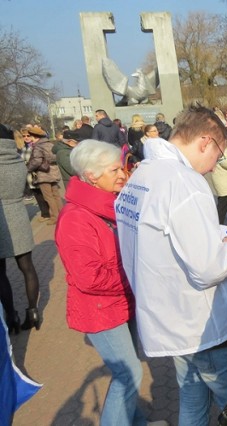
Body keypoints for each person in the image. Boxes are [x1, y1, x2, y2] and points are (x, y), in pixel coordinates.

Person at [115, 106, 227, 426]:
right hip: (205, 326)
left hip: (171, 323)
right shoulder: (185, 182)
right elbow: (207, 269)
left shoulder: (141, 176)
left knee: (191, 402)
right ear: (205, 142)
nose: (216, 164)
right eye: (218, 154)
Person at [54, 139, 151, 425]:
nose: (122, 174)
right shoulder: (76, 218)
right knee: (129, 373)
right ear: (92, 176)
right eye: (114, 170)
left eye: (121, 168)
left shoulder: (109, 206)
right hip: (100, 310)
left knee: (129, 371)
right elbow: (88, 277)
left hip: (121, 302)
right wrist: (134, 274)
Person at [0, 124, 41, 333]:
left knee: (0, 274)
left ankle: (11, 315)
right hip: (18, 214)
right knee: (28, 268)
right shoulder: (17, 160)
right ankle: (33, 311)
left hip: (2, 220)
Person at [26, 127, 63, 226]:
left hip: (43, 174)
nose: (30, 138)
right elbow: (55, 157)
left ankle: (55, 217)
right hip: (54, 172)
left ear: (35, 137)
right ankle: (62, 214)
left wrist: (28, 168)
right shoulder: (50, 144)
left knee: (48, 197)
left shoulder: (38, 146)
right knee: (56, 195)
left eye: (31, 136)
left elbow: (37, 161)